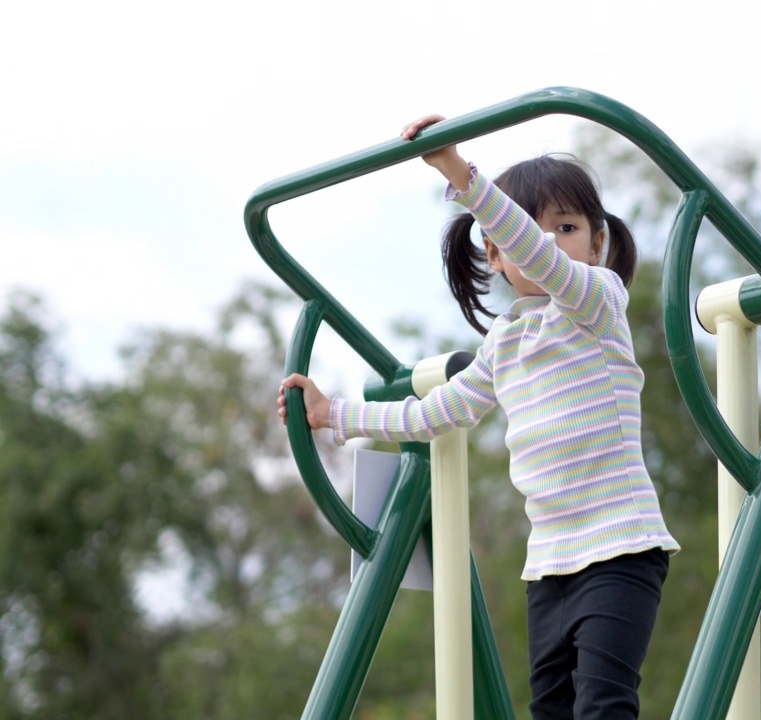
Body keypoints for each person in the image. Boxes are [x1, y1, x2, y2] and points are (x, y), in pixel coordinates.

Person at [278, 114, 679, 720]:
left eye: (567, 228)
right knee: (550, 710)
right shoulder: (508, 340)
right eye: (531, 233)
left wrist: (458, 173)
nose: (550, 242)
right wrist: (335, 414)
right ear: (493, 257)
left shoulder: (598, 304)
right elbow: (436, 412)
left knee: (603, 705)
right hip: (549, 564)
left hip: (621, 548)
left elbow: (542, 261)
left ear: (597, 244)